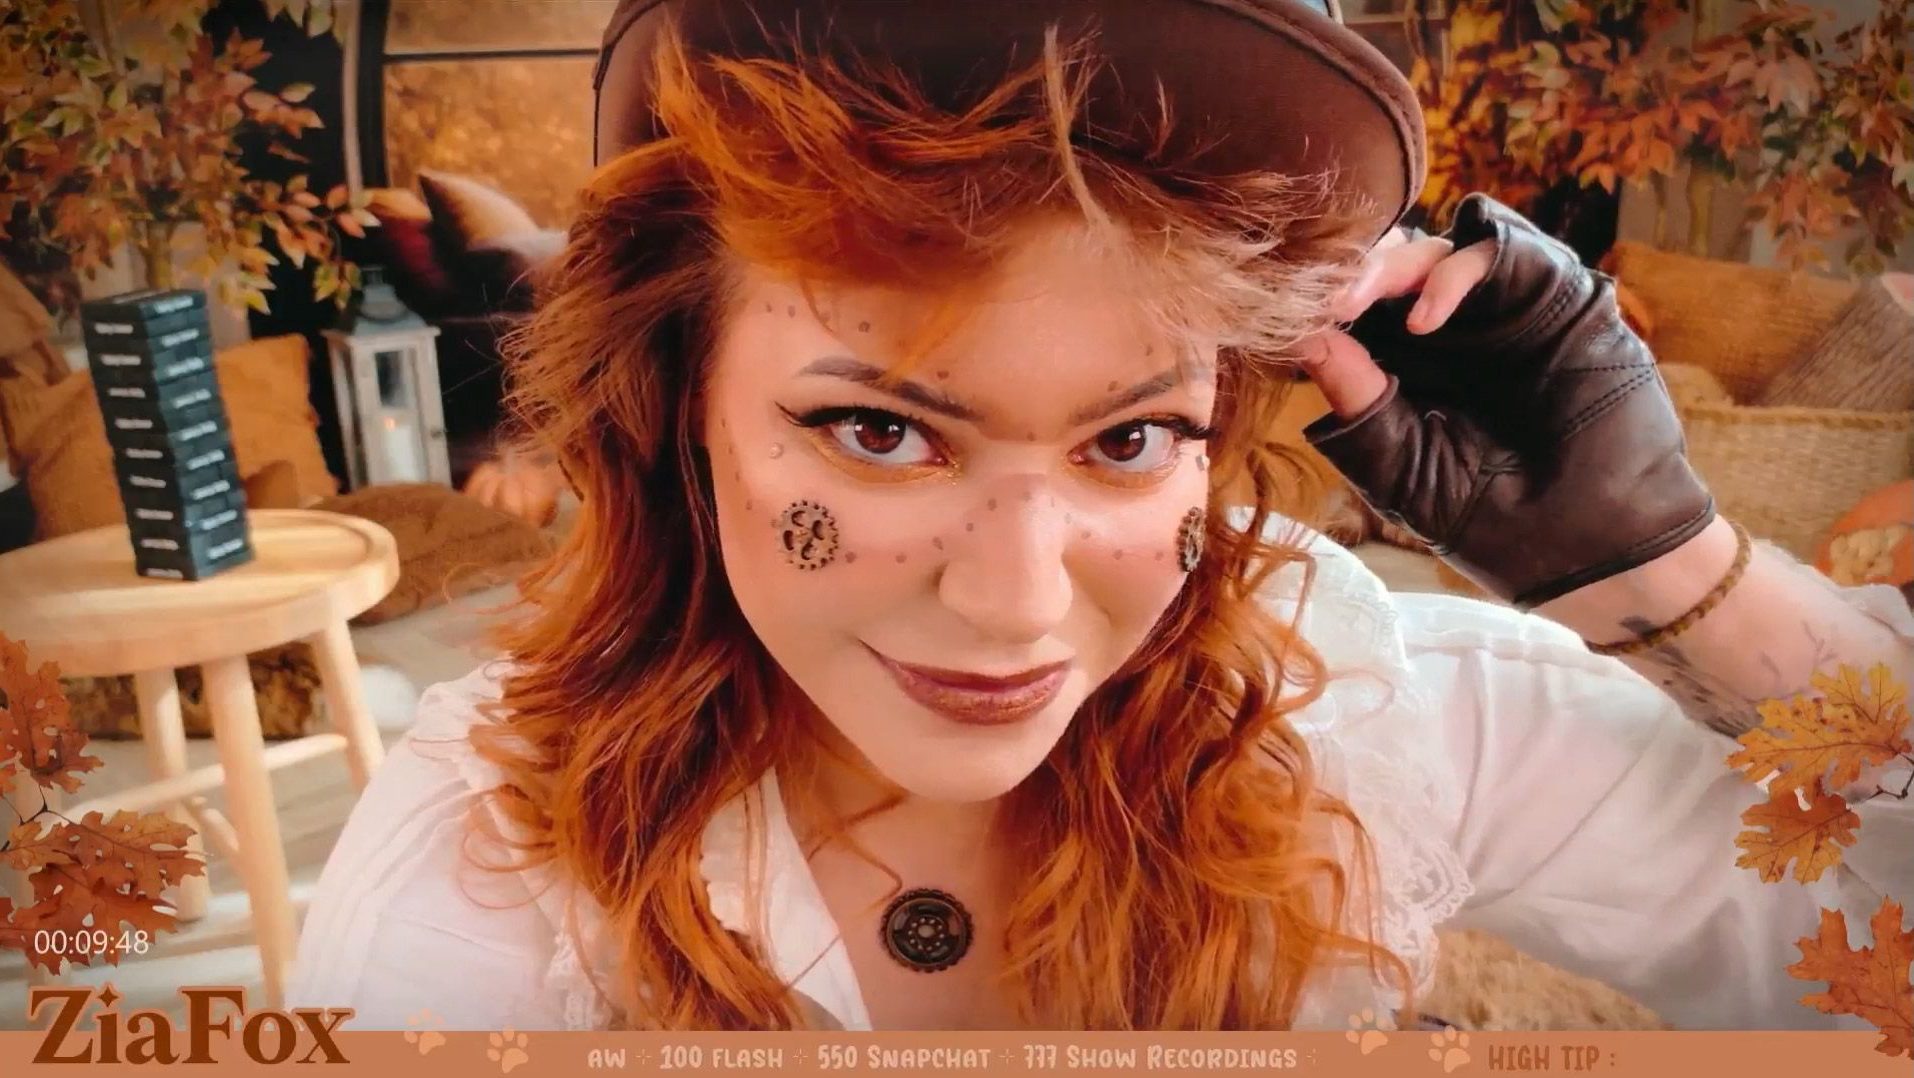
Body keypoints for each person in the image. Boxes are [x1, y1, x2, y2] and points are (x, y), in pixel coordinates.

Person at [287, 0, 1913, 1031]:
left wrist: (1676, 573)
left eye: (1128, 439)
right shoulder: (485, 860)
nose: (1014, 605)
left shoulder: (1361, 709)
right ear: (674, 411)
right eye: (877, 430)